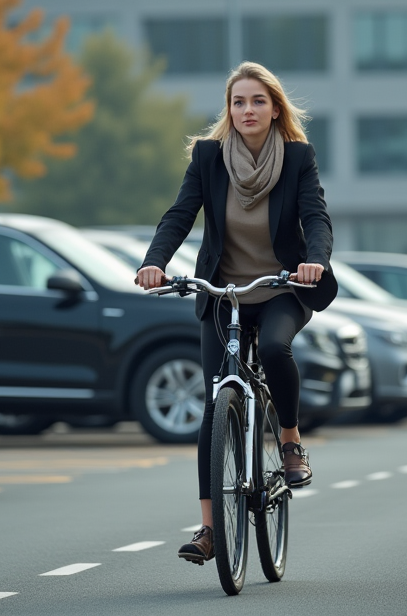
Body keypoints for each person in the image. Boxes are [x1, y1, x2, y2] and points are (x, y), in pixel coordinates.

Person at [136, 61, 338, 566]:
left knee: (273, 348)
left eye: (257, 101)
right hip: (223, 292)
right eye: (238, 102)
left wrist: (314, 262)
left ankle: (289, 440)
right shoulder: (208, 159)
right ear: (228, 110)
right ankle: (209, 527)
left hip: (281, 287)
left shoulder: (297, 159)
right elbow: (181, 213)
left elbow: (315, 216)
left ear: (274, 110)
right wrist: (154, 262)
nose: (247, 110)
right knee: (213, 403)